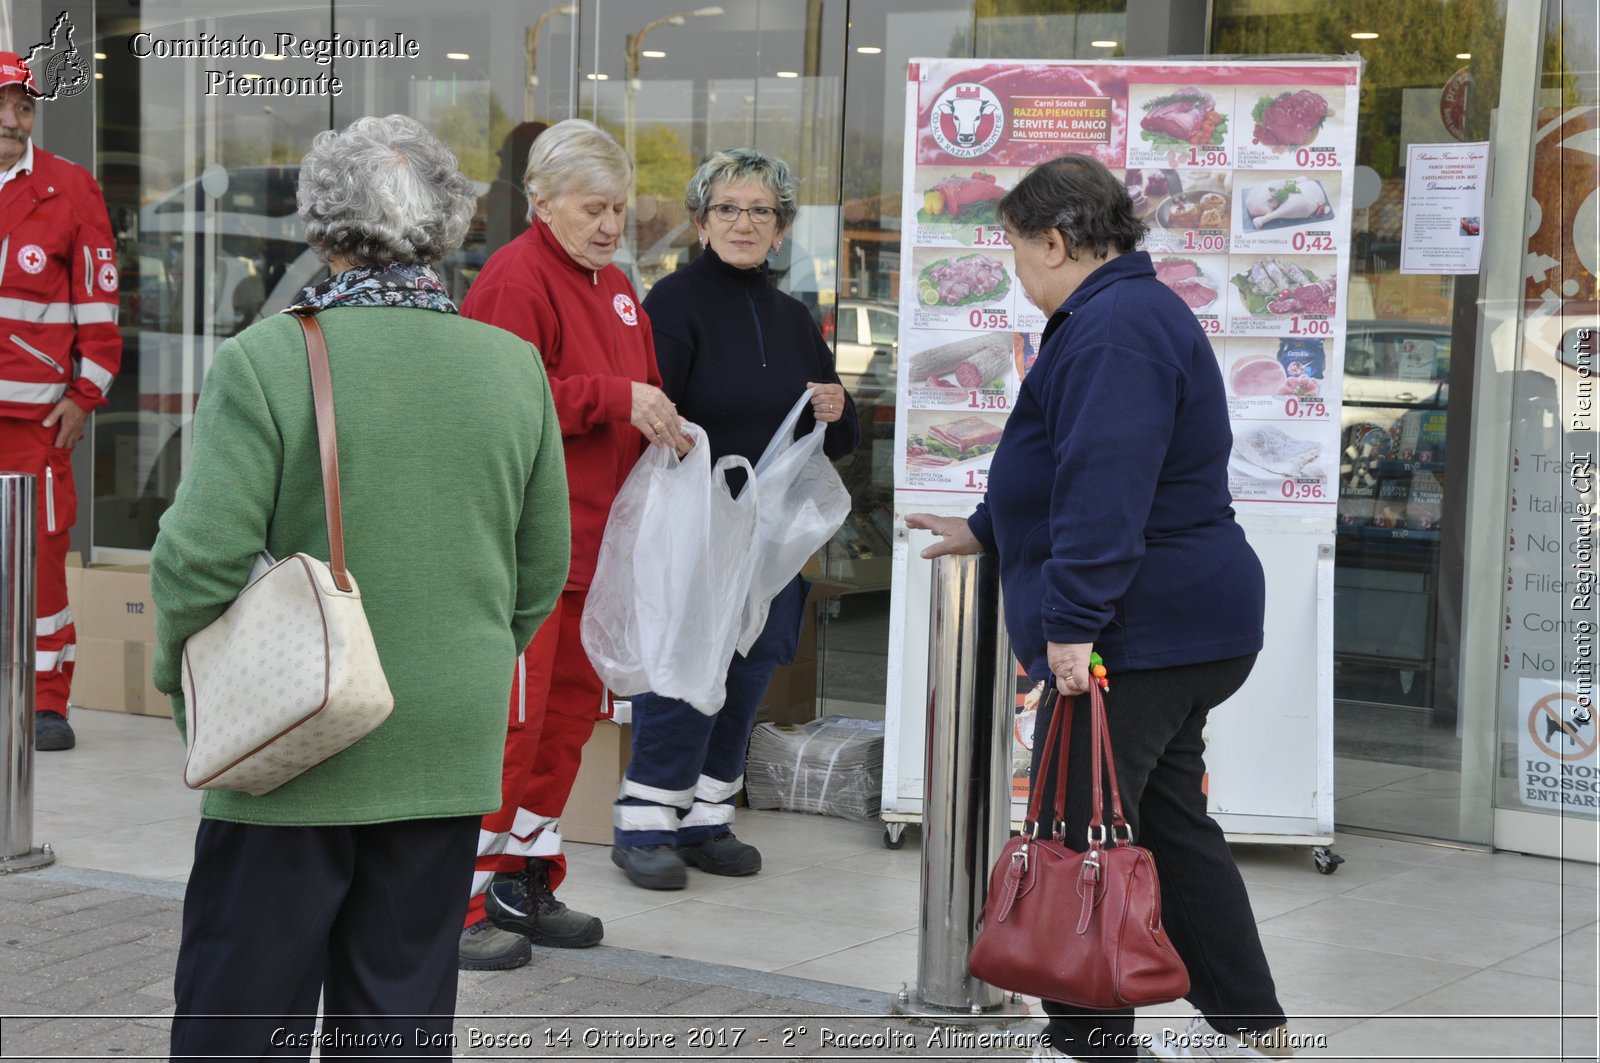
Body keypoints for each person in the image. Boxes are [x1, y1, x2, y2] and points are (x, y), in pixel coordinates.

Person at [150, 115, 570, 1059]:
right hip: (444, 733)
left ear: (323, 227)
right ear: (447, 226)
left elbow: (199, 559)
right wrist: (465, 653)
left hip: (292, 727)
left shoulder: (266, 360)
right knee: (400, 1012)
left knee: (239, 1013)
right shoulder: (511, 366)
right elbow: (544, 563)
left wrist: (181, 679)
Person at [906, 154, 1293, 1063]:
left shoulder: (1114, 324)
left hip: (1138, 627)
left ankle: (1088, 1043)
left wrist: (1072, 622)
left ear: (1056, 239)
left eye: (1015, 251)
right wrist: (983, 526)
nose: (1015, 272)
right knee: (1163, 824)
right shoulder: (1120, 313)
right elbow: (1059, 465)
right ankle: (1253, 1027)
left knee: (1077, 832)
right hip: (1177, 621)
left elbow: (1103, 484)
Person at [458, 118, 688, 970]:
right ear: (542, 202)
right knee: (508, 732)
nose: (608, 224)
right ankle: (464, 897)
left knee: (564, 728)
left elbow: (637, 383)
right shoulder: (514, 278)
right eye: (593, 207)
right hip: (528, 553)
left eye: (620, 208)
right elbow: (497, 406)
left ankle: (525, 876)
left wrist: (660, 414)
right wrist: (615, 400)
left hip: (597, 551)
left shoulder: (619, 284)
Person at [611, 148, 860, 890]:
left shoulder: (792, 318)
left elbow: (836, 439)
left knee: (748, 670)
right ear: (698, 221)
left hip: (770, 536)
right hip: (695, 522)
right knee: (684, 667)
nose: (744, 223)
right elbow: (651, 418)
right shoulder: (673, 305)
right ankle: (645, 822)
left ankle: (706, 817)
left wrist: (838, 410)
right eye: (727, 208)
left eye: (761, 211)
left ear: (781, 229)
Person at [0, 51, 121, 752]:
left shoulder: (71, 188)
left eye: (23, 109)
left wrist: (84, 395)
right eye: (3, 109)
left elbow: (101, 313)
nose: (13, 121)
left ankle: (48, 700)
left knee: (43, 561)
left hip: (37, 426)